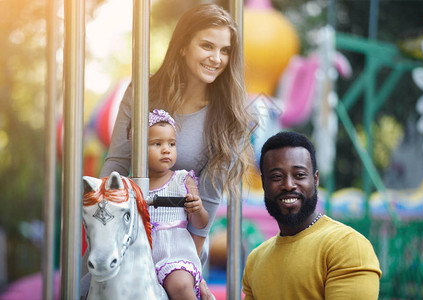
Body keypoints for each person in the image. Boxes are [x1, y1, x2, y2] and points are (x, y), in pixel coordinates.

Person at [100, 3, 254, 261]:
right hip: (126, 234)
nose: (217, 58)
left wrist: (185, 266)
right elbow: (117, 161)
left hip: (180, 244)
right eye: (207, 46)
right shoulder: (141, 93)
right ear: (183, 46)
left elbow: (208, 199)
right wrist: (101, 219)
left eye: (225, 50)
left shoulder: (228, 117)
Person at [242, 131, 382, 299]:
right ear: (264, 184)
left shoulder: (346, 246)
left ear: (315, 180)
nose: (288, 185)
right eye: (277, 176)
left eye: (299, 175)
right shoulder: (256, 260)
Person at [146, 109, 208, 299]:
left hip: (174, 252)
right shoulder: (133, 184)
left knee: (180, 285)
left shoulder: (183, 180)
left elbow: (200, 224)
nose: (166, 149)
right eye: (157, 144)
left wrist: (197, 210)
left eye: (171, 144)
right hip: (142, 254)